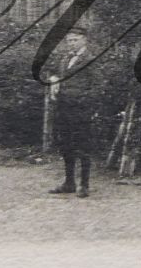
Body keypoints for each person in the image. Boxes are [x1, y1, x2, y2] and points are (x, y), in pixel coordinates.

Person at [47, 27, 114, 199]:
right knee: (65, 146)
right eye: (69, 40)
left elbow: (99, 87)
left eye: (75, 40)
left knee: (83, 147)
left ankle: (84, 185)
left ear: (84, 40)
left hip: (81, 111)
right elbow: (55, 74)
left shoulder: (91, 59)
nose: (71, 43)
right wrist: (54, 79)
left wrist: (82, 102)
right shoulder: (65, 58)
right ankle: (69, 182)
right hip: (63, 109)